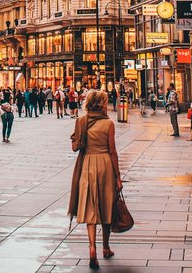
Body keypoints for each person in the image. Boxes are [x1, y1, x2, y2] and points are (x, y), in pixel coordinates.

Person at [69, 90, 123, 269]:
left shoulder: (81, 121)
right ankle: (105, 247)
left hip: (88, 165)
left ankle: (92, 248)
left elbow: (74, 147)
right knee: (106, 205)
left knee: (90, 207)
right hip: (105, 164)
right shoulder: (108, 123)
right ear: (101, 104)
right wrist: (118, 176)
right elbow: (113, 151)